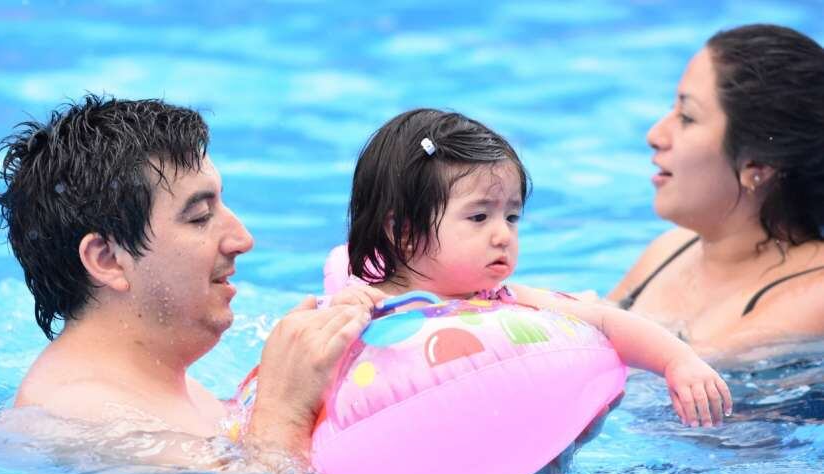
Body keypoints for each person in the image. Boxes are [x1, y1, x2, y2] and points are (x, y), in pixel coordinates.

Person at [0, 94, 372, 469]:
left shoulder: (160, 387)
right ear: (107, 259)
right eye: (200, 216)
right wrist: (283, 412)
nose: (242, 239)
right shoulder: (81, 420)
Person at [334, 108, 732, 427]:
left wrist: (677, 361)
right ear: (403, 232)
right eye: (478, 218)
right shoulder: (364, 309)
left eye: (511, 217)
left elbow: (605, 321)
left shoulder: (503, 303)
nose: (503, 235)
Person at [608, 24, 824, 354]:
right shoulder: (669, 250)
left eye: (687, 117)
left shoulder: (813, 293)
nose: (655, 134)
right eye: (672, 110)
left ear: (757, 167)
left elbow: (672, 376)